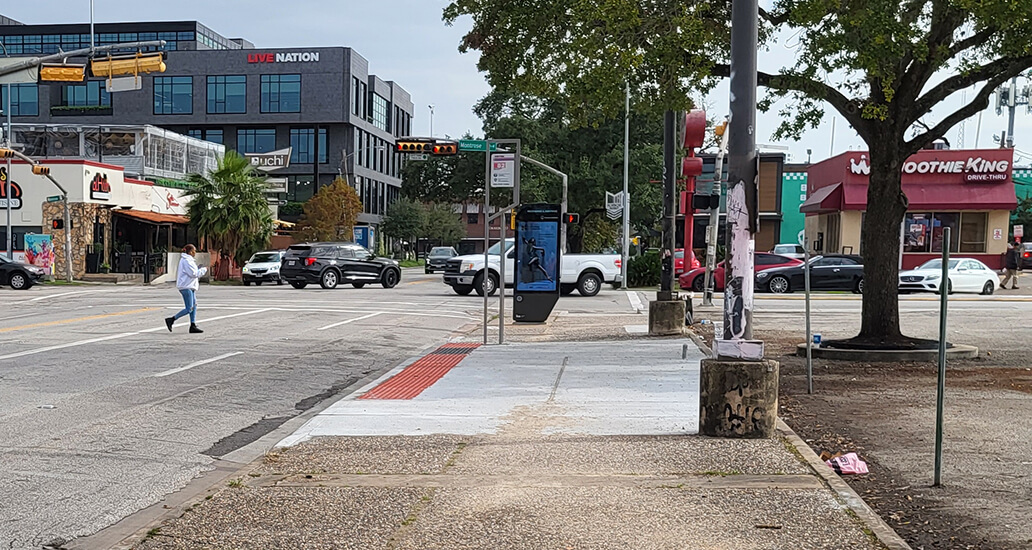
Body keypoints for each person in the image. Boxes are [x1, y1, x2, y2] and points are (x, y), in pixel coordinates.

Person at [165, 244, 208, 333]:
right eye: (194, 251)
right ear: (191, 251)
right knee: (189, 308)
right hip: (186, 286)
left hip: (190, 285)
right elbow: (193, 273)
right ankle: (171, 319)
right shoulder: (186, 261)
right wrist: (203, 270)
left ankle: (193, 324)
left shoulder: (188, 260)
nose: (195, 253)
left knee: (194, 305)